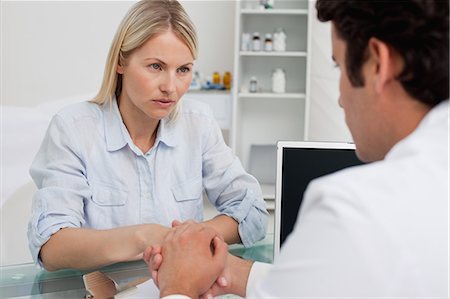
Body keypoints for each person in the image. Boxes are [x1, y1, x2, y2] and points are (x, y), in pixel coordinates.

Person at [145, 0, 449, 297]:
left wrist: (179, 287)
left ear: (378, 65)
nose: (340, 98)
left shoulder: (353, 209)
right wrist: (230, 271)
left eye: (338, 66)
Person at [27, 0, 268, 271]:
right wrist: (143, 237)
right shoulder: (73, 129)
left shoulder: (198, 123)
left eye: (183, 70)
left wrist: (183, 238)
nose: (170, 87)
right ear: (121, 62)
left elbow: (253, 214)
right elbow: (51, 246)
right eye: (155, 66)